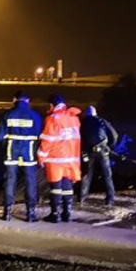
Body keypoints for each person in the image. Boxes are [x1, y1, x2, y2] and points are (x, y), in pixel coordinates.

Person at [0, 91, 43, 222]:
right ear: (28, 100)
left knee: (10, 181)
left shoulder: (8, 115)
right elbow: (39, 135)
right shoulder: (35, 116)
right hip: (29, 152)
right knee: (30, 181)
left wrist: (7, 141)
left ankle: (7, 212)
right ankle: (30, 213)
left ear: (14, 99)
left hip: (12, 151)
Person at [37, 94, 82, 223]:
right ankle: (67, 213)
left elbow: (47, 140)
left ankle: (54, 214)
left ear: (53, 105)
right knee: (67, 186)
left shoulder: (53, 119)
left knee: (55, 187)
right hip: (71, 159)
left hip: (55, 159)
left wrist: (41, 156)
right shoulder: (74, 118)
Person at [79, 106, 119, 208]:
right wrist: (109, 146)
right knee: (107, 175)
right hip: (103, 150)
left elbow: (80, 138)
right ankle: (110, 198)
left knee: (87, 174)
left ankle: (82, 198)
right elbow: (114, 135)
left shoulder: (83, 123)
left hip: (88, 151)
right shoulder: (102, 121)